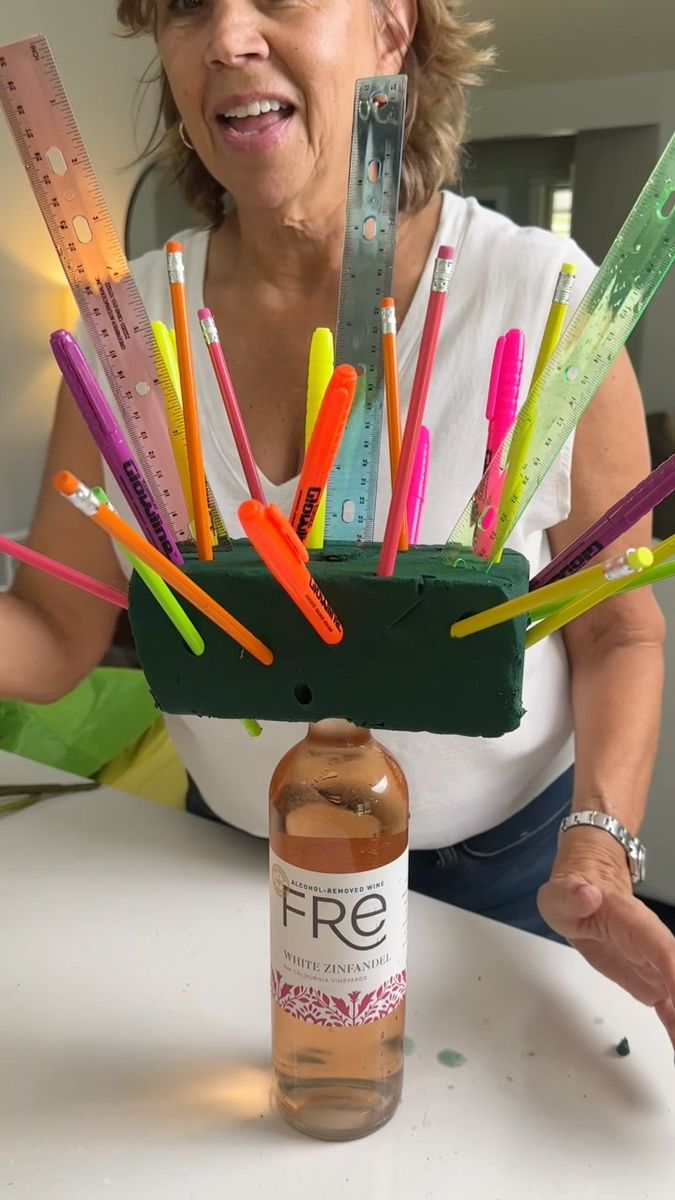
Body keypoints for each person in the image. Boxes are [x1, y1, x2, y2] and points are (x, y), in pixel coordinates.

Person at [2, 0, 674, 1044]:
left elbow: (617, 624)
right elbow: (52, 632)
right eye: (186, 7)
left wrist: (598, 844)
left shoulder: (551, 302)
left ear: (396, 30)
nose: (227, 36)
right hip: (233, 862)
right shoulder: (120, 336)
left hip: (505, 880)